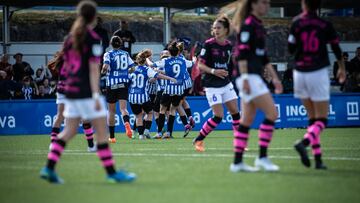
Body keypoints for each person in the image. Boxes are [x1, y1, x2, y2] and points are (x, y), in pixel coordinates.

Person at [40, 0, 136, 184]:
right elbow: (94, 68)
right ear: (94, 18)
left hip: (70, 91)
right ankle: (112, 173)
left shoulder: (70, 38)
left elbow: (67, 67)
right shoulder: (92, 38)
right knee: (101, 133)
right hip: (85, 92)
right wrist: (95, 95)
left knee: (68, 131)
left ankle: (49, 167)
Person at [288, 0, 345, 169]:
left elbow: (291, 49)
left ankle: (318, 159)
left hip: (299, 72)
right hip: (317, 71)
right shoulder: (324, 23)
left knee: (312, 120)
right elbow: (336, 47)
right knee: (322, 120)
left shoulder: (296, 22)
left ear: (303, 4)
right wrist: (341, 67)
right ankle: (303, 143)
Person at [230, 0, 283, 172]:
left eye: (268, 3)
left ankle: (237, 162)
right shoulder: (249, 24)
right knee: (272, 113)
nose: (267, 6)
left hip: (252, 76)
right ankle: (262, 157)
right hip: (249, 76)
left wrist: (275, 78)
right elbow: (242, 54)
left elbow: (264, 57)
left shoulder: (258, 24)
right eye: (264, 3)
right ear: (253, 4)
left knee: (246, 120)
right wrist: (245, 77)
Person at [192, 16, 240, 153]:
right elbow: (200, 65)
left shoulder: (229, 46)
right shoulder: (208, 44)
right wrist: (214, 71)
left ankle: (239, 142)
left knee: (236, 113)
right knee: (218, 116)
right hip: (212, 85)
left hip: (226, 84)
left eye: (219, 28)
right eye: (214, 28)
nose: (216, 30)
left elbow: (230, 65)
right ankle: (199, 139)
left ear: (226, 30)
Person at [47, 49, 96, 152]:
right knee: (85, 118)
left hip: (61, 89)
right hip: (74, 91)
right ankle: (91, 146)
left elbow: (51, 67)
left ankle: (53, 143)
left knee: (60, 116)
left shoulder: (62, 60)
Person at [129, 50, 176, 139]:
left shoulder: (132, 69)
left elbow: (127, 80)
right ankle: (146, 130)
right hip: (143, 97)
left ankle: (140, 135)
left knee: (138, 116)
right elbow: (158, 76)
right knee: (150, 113)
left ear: (137, 60)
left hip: (132, 97)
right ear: (145, 60)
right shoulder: (147, 69)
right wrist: (170, 78)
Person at [151, 41, 193, 139]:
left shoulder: (166, 61)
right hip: (179, 90)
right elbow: (192, 63)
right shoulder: (183, 60)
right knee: (173, 110)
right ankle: (169, 132)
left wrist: (147, 60)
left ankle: (159, 133)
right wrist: (194, 58)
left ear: (169, 53)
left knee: (162, 110)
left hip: (169, 89)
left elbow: (152, 65)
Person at [101, 35, 135, 143]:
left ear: (111, 44)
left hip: (111, 84)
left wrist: (102, 72)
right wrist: (125, 73)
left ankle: (112, 137)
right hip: (123, 84)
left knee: (111, 111)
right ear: (120, 44)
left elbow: (105, 67)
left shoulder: (108, 54)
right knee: (123, 109)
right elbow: (133, 68)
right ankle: (127, 125)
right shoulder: (125, 53)